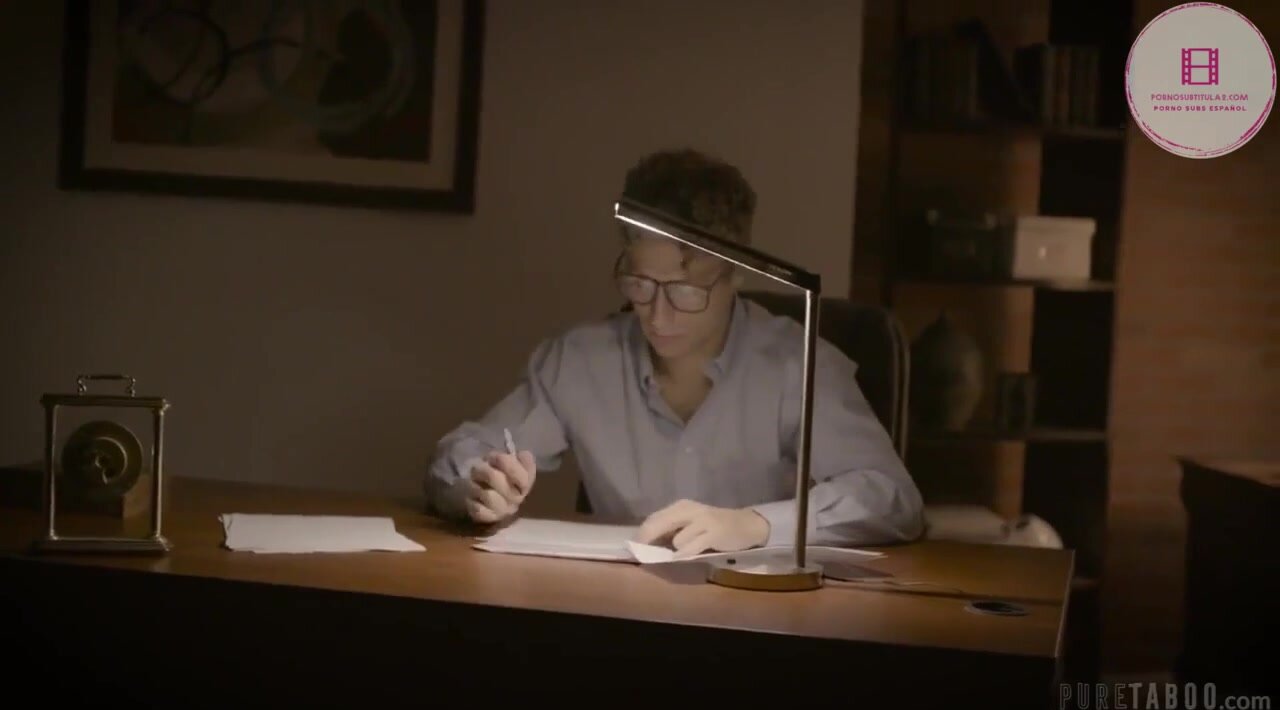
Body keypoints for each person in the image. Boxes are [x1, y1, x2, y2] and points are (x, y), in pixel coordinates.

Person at [424, 148, 924, 557]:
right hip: (617, 611)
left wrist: (754, 525)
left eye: (686, 292)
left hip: (759, 615)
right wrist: (476, 486)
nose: (658, 316)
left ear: (736, 275)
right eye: (640, 285)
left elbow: (893, 498)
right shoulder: (580, 361)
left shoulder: (797, 364)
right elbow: (461, 453)